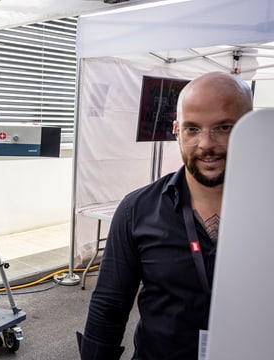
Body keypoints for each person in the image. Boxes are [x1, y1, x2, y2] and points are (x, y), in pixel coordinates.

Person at [77, 71, 253, 360]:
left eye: (223, 127)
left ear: (248, 128)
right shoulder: (137, 210)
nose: (206, 144)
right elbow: (109, 306)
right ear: (176, 130)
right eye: (192, 129)